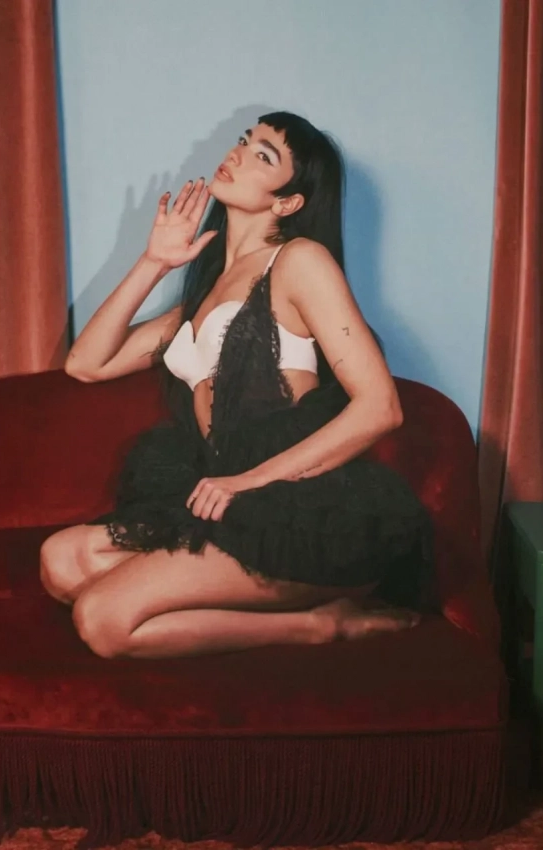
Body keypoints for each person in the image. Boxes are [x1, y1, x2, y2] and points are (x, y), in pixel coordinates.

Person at [40, 111, 434, 660]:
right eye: (245, 141)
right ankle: (253, 609)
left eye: (263, 155)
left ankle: (323, 626)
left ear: (287, 203)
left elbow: (380, 408)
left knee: (101, 620)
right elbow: (86, 364)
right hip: (224, 497)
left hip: (296, 516)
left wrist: (248, 482)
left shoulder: (299, 262)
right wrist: (154, 262)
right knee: (60, 561)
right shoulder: (200, 298)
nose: (239, 153)